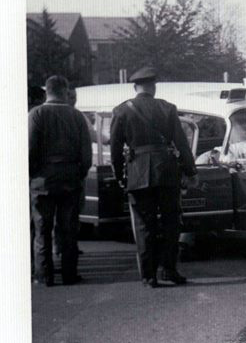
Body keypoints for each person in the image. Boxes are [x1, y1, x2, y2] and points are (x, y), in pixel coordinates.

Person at [110, 67, 198, 287]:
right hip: (167, 171)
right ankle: (169, 269)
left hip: (138, 173)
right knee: (171, 222)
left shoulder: (122, 111)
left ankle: (148, 276)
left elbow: (114, 148)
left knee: (143, 225)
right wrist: (191, 171)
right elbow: (181, 143)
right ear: (153, 87)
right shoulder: (167, 108)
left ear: (135, 87)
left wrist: (120, 175)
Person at [28, 75, 91, 286]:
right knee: (68, 229)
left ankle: (44, 275)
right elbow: (86, 154)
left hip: (42, 181)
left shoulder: (35, 114)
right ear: (65, 91)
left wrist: (33, 175)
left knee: (41, 229)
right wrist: (79, 173)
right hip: (70, 178)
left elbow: (29, 150)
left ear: (46, 91)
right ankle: (69, 274)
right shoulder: (77, 116)